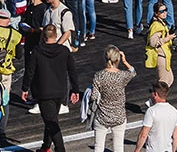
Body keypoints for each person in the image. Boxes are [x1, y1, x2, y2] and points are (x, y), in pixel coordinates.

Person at [21, 24, 80, 152]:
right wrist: (75, 90)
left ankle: (60, 149)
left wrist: (25, 88)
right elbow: (72, 71)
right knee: (51, 119)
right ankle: (46, 146)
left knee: (52, 123)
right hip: (60, 91)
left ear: (43, 36)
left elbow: (30, 72)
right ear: (56, 35)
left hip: (44, 92)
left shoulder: (37, 51)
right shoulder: (64, 51)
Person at [89, 46, 135, 152]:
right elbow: (133, 72)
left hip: (102, 116)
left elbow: (94, 97)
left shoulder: (99, 75)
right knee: (118, 147)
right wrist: (125, 61)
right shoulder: (122, 75)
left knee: (98, 146)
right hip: (119, 116)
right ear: (118, 59)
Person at [135, 82, 177, 152]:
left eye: (151, 92)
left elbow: (143, 135)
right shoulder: (174, 111)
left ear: (155, 94)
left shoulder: (151, 111)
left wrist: (137, 150)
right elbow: (175, 135)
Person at [144, 3, 175, 88]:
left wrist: (175, 48)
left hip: (165, 55)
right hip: (160, 56)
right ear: (156, 13)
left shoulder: (161, 23)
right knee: (163, 82)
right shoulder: (157, 25)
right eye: (161, 11)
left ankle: (156, 97)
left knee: (169, 79)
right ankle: (155, 99)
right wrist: (167, 38)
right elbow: (153, 42)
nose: (165, 13)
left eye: (165, 10)